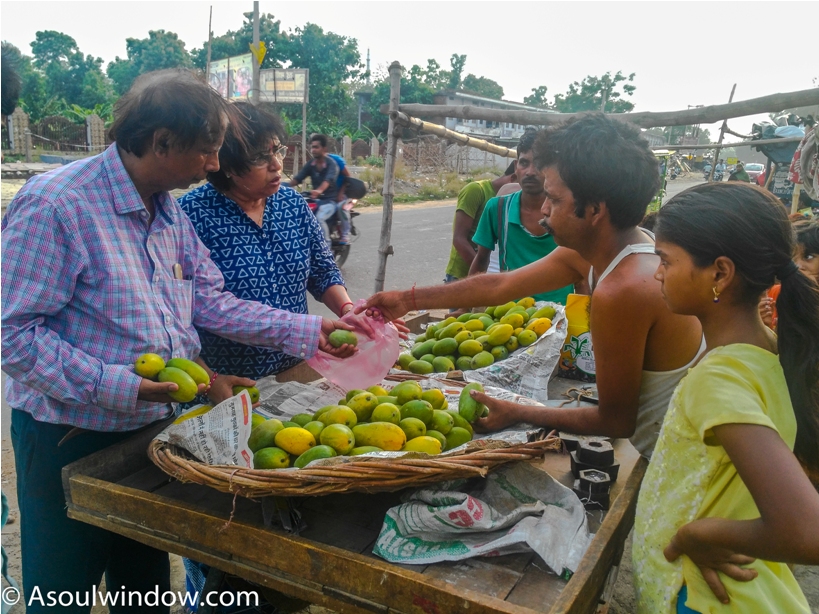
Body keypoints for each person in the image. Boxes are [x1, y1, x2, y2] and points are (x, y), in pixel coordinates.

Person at [0, 69, 354, 613]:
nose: (214, 165)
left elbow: (207, 303)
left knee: (140, 584)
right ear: (162, 143)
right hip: (67, 432)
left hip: (150, 429)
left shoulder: (166, 211)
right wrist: (121, 386)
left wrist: (311, 331)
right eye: (207, 151)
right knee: (60, 589)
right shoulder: (58, 205)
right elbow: (14, 335)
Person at [359, 114, 704, 458]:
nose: (542, 210)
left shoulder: (624, 289)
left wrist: (519, 411)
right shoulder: (613, 249)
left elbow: (615, 421)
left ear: (596, 210)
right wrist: (407, 299)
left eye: (553, 199)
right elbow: (501, 286)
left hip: (680, 457)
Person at [633, 182, 819, 613]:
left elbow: (807, 529)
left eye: (666, 260)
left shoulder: (718, 379)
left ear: (719, 273)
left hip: (704, 600)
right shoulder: (769, 348)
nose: (658, 273)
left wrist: (694, 536)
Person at [178, 103, 359, 395]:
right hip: (230, 381)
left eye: (277, 151)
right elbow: (196, 308)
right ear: (226, 165)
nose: (277, 165)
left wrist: (348, 310)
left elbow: (322, 270)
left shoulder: (291, 204)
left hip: (295, 369)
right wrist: (210, 381)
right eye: (260, 157)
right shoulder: (191, 215)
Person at [468, 130, 574, 305]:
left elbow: (581, 272)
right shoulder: (497, 208)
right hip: (510, 314)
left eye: (538, 164)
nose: (530, 172)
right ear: (516, 166)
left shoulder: (568, 211)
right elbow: (480, 261)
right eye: (524, 163)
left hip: (560, 312)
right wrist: (465, 307)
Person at [444, 161, 516, 282]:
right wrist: (484, 273)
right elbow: (459, 239)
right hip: (462, 276)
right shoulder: (476, 190)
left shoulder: (512, 200)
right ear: (514, 176)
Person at [760, 218, 819, 330]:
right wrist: (764, 326)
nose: (798, 266)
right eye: (792, 257)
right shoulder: (774, 294)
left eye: (808, 257)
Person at [289, 134, 341, 243]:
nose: (313, 150)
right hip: (316, 199)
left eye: (316, 147)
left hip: (329, 201)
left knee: (318, 218)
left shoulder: (331, 164)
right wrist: (282, 186)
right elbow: (298, 178)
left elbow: (328, 180)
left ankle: (326, 246)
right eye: (312, 147)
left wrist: (319, 190)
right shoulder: (311, 164)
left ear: (324, 149)